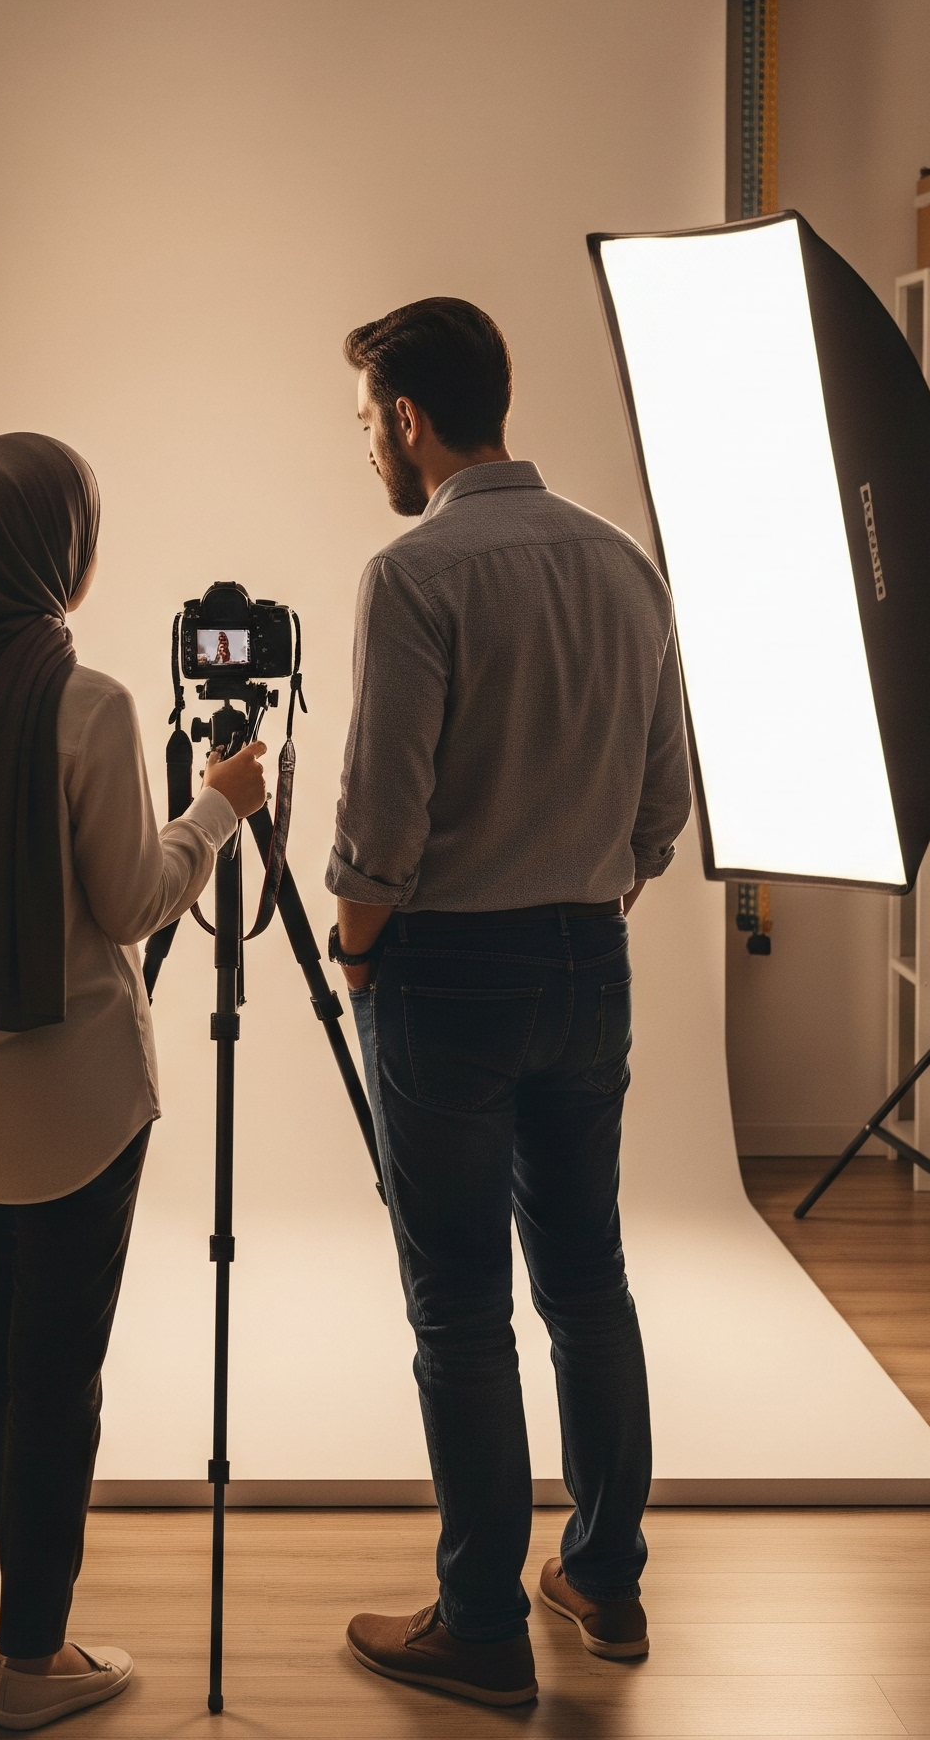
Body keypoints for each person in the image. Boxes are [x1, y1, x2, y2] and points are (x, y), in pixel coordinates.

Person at [0, 432, 267, 1732]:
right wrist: (220, 806)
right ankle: (38, 1662)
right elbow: (137, 899)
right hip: (79, 1109)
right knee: (56, 1378)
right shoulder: (88, 705)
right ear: (55, 554)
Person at [325, 300, 689, 1709]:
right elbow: (665, 803)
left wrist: (360, 954)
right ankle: (601, 1579)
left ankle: (478, 1622)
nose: (368, 447)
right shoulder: (623, 567)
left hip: (444, 976)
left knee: (462, 1306)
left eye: (367, 422)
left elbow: (380, 824)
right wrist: (585, 893)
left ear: (411, 420)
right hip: (587, 959)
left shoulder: (412, 574)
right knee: (587, 1279)